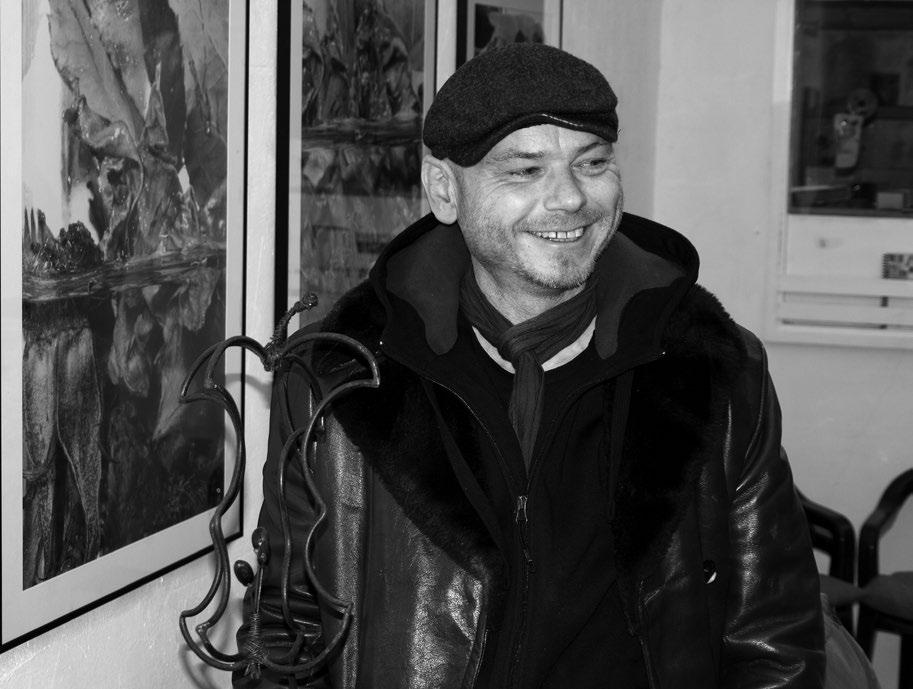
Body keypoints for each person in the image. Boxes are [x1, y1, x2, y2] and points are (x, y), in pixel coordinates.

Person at [235, 43, 825, 688]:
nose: (569, 198)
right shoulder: (336, 377)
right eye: (525, 170)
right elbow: (286, 632)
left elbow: (777, 642)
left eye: (592, 163)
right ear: (444, 190)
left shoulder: (713, 368)